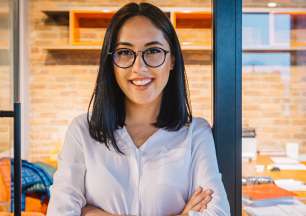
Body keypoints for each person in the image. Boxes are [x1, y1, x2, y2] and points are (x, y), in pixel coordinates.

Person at [47, 2, 230, 216]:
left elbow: (217, 212)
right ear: (111, 62)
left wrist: (90, 212)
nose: (139, 67)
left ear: (171, 59)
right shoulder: (82, 131)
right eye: (125, 52)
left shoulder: (196, 133)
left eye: (153, 51)